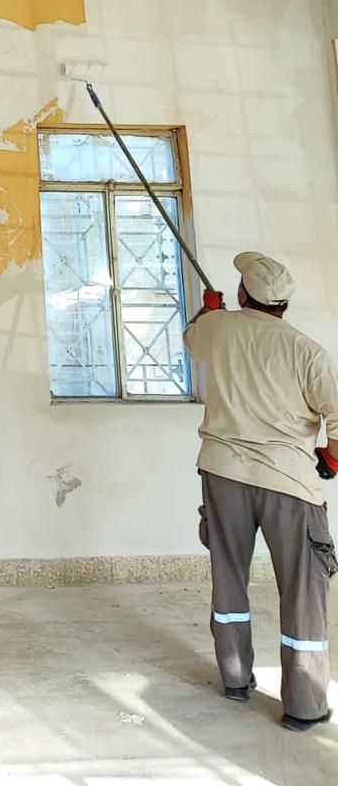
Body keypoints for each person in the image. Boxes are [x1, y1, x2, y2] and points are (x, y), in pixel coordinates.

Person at [185, 252, 338, 731]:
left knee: (229, 575)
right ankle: (304, 706)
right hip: (288, 482)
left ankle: (235, 679)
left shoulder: (219, 328)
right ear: (284, 304)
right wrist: (331, 459)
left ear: (242, 294)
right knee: (303, 588)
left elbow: (193, 338)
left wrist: (209, 309)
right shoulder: (307, 351)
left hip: (223, 473)